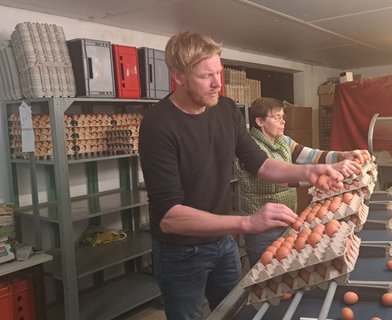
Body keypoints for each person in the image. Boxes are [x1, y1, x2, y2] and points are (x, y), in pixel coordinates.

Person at [138, 32, 361, 320]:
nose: (218, 83)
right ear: (178, 76)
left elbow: (262, 164)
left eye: (219, 72)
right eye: (207, 76)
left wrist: (310, 170)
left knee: (236, 311)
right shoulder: (159, 125)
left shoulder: (226, 110)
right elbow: (170, 217)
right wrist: (248, 222)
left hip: (222, 242)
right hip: (181, 252)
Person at [236, 97, 370, 265]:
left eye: (283, 116)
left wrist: (341, 155)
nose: (283, 121)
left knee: (284, 266)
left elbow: (312, 155)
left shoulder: (283, 140)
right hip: (263, 228)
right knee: (266, 271)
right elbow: (280, 181)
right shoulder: (250, 148)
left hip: (287, 219)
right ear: (260, 122)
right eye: (276, 117)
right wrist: (320, 177)